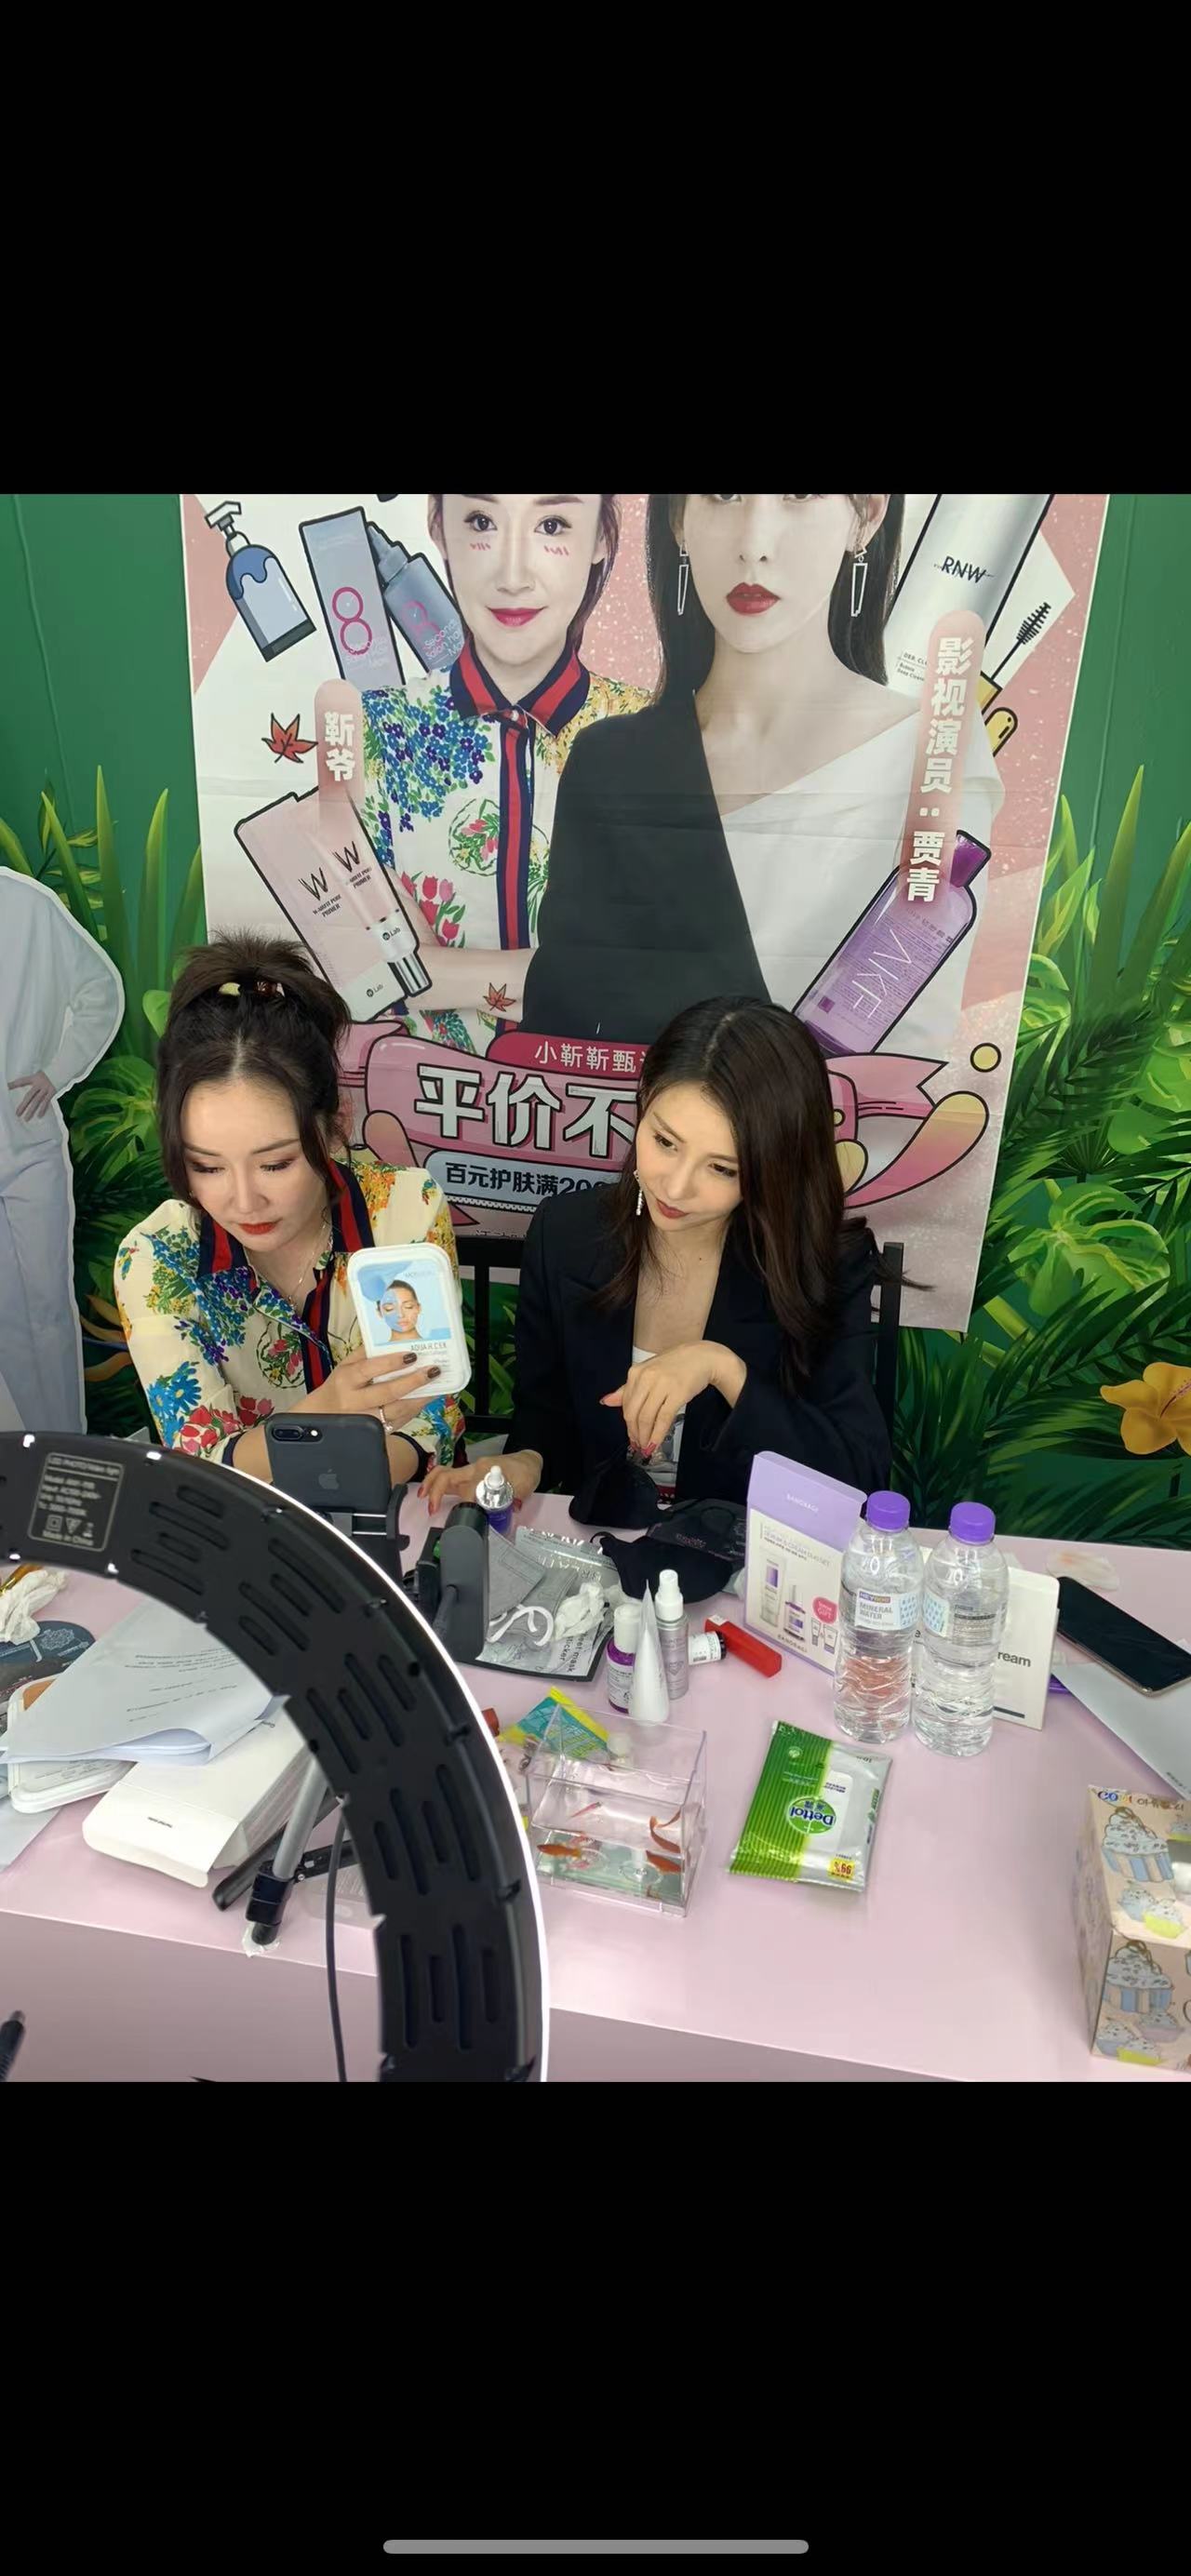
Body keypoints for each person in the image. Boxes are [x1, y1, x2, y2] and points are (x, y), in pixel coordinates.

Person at [522, 492, 1004, 1048]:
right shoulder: (610, 762)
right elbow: (559, 1031)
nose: (753, 544)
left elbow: (910, 1054)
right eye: (724, 496)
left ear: (866, 515)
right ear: (679, 519)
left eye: (797, 496)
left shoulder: (930, 753)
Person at [423, 995, 890, 1518]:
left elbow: (859, 1475)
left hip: (742, 1550)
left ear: (775, 1165)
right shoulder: (567, 1235)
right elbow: (545, 1419)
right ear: (643, 1099)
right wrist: (524, 1463)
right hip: (600, 1543)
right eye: (665, 1142)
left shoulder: (825, 1264)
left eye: (722, 1169)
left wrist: (725, 1370)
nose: (676, 1186)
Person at [115, 934, 464, 1485]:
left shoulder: (403, 1209)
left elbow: (427, 1418)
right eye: (207, 1167)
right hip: (242, 1516)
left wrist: (348, 1491)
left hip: (395, 1502)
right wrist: (327, 1414)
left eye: (275, 1164)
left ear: (334, 1126)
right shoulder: (157, 1258)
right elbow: (202, 1462)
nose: (244, 1201)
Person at [357, 492, 649, 1073]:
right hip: (424, 1103)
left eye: (552, 524)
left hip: (601, 1107)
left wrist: (442, 973)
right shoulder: (379, 729)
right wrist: (562, 974)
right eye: (482, 521)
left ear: (601, 537)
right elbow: (372, 971)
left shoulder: (654, 738)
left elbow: (655, 975)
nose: (513, 576)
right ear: (439, 526)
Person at [0, 869, 124, 1433]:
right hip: (23, 1141)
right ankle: (33, 1445)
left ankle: (67, 1441)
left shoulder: (28, 906)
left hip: (29, 1147)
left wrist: (57, 1071)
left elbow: (100, 991)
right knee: (7, 1315)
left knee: (49, 1306)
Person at [378, 1278, 422, 1342]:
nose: (400, 1315)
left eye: (408, 1306)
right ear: (380, 1313)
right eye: (390, 1308)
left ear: (419, 1308)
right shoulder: (371, 1348)